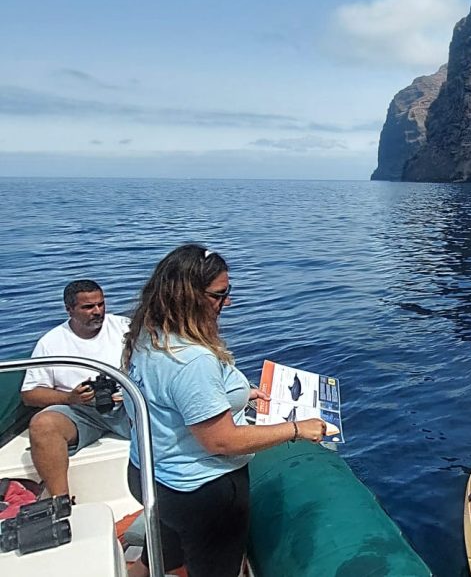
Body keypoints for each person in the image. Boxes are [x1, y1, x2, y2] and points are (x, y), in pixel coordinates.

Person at [122, 245, 326, 577]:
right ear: (188, 296)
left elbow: (168, 397)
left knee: (160, 554)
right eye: (219, 295)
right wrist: (297, 429)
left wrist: (239, 396)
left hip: (150, 475)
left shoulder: (148, 334)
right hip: (199, 491)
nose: (227, 302)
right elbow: (221, 441)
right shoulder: (192, 360)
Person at [21, 279, 131, 498]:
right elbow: (30, 394)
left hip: (127, 405)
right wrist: (70, 398)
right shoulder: (50, 342)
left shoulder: (125, 328)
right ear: (69, 309)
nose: (97, 311)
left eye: (101, 304)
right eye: (88, 307)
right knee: (43, 425)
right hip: (81, 411)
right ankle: (60, 501)